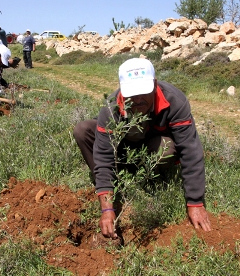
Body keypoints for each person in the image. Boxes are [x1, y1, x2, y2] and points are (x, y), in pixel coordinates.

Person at [73, 58, 212, 239]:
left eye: (143, 92)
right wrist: (107, 208)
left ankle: (149, 179)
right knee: (82, 130)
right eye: (132, 93)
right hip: (123, 149)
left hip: (152, 147)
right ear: (122, 90)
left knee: (167, 148)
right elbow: (104, 155)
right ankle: (114, 182)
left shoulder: (174, 101)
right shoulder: (111, 108)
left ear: (154, 84)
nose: (138, 100)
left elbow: (190, 150)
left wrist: (195, 203)